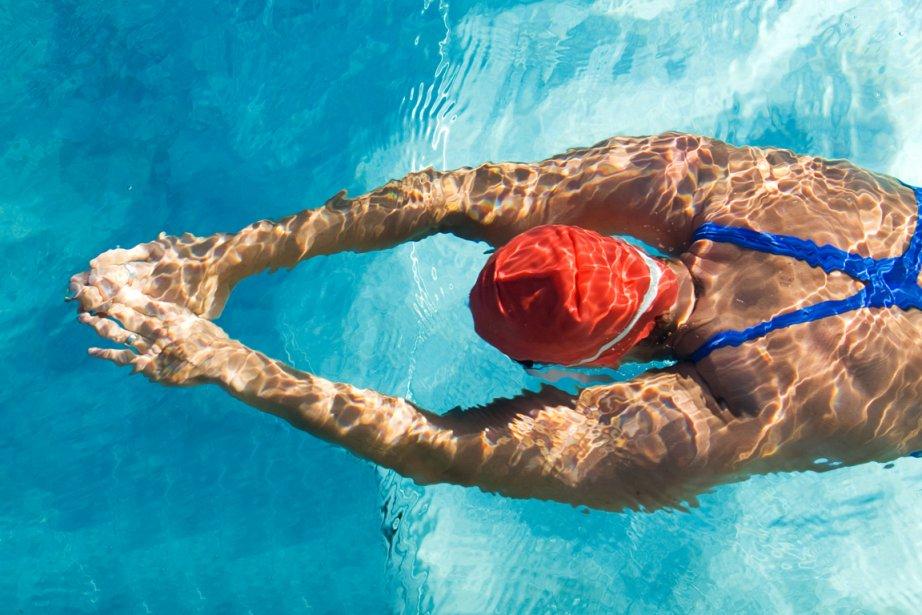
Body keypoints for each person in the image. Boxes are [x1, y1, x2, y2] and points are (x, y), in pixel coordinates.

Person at [69, 132, 922, 511]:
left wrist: (223, 361)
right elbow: (456, 196)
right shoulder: (711, 184)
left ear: (603, 358)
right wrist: (227, 256)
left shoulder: (722, 416)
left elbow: (438, 446)